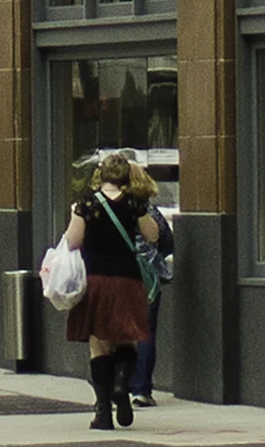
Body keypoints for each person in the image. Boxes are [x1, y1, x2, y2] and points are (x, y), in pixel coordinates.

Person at [54, 151, 154, 429]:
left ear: (101, 174)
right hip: (128, 280)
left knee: (99, 343)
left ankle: (103, 412)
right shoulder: (135, 203)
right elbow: (153, 235)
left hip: (96, 280)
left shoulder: (86, 203)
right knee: (128, 339)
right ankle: (123, 385)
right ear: (125, 176)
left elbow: (73, 241)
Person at [125, 165, 171, 404]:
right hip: (146, 276)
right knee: (145, 330)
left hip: (114, 275)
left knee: (114, 330)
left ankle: (119, 382)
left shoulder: (104, 206)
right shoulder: (147, 209)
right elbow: (165, 238)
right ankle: (141, 389)